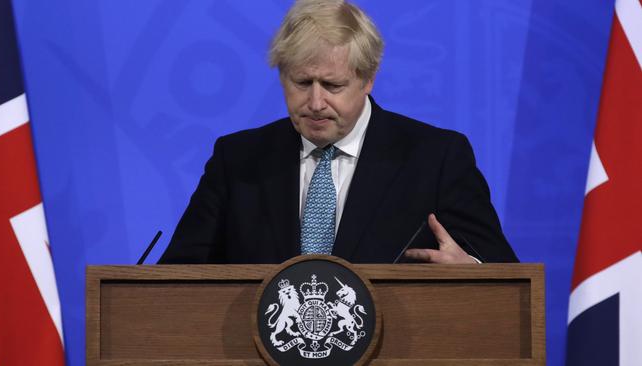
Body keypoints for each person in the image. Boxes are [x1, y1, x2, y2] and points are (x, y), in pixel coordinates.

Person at [158, 0, 518, 264]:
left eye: (331, 85)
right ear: (282, 75)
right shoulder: (237, 160)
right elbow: (176, 277)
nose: (315, 102)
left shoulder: (436, 158)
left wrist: (472, 271)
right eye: (301, 82)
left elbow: (505, 274)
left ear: (368, 78)